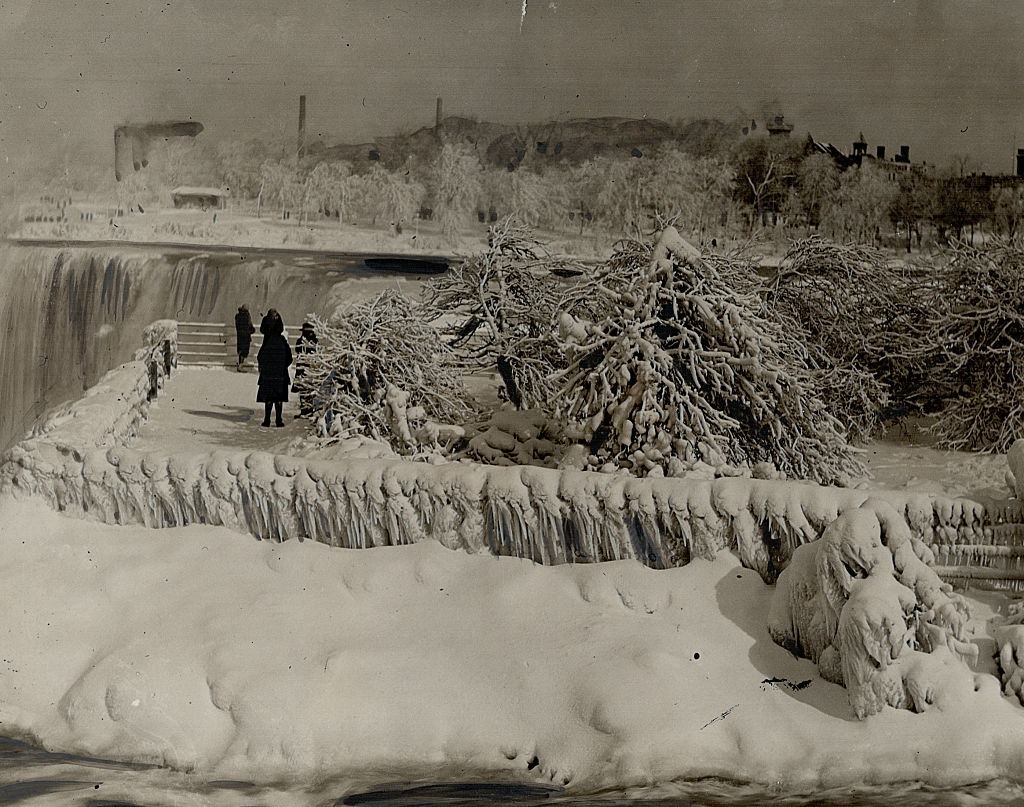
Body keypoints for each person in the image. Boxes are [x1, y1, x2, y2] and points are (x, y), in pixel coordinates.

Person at [257, 309, 292, 427]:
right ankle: (278, 420)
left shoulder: (266, 342)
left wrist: (264, 368)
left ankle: (267, 419)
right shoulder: (283, 342)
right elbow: (289, 358)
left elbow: (260, 357)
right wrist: (282, 367)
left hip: (268, 374)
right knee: (279, 397)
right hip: (280, 374)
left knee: (268, 397)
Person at [292, 321, 319, 418]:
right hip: (312, 368)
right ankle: (309, 410)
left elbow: (297, 350)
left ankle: (304, 410)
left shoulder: (300, 341)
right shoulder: (315, 341)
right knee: (310, 390)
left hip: (302, 368)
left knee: (303, 391)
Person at [234, 305, 255, 371]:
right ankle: (240, 365)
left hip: (240, 336)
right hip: (246, 336)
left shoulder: (238, 316)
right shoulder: (247, 316)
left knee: (241, 350)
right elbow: (249, 326)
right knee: (244, 351)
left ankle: (240, 364)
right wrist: (251, 330)